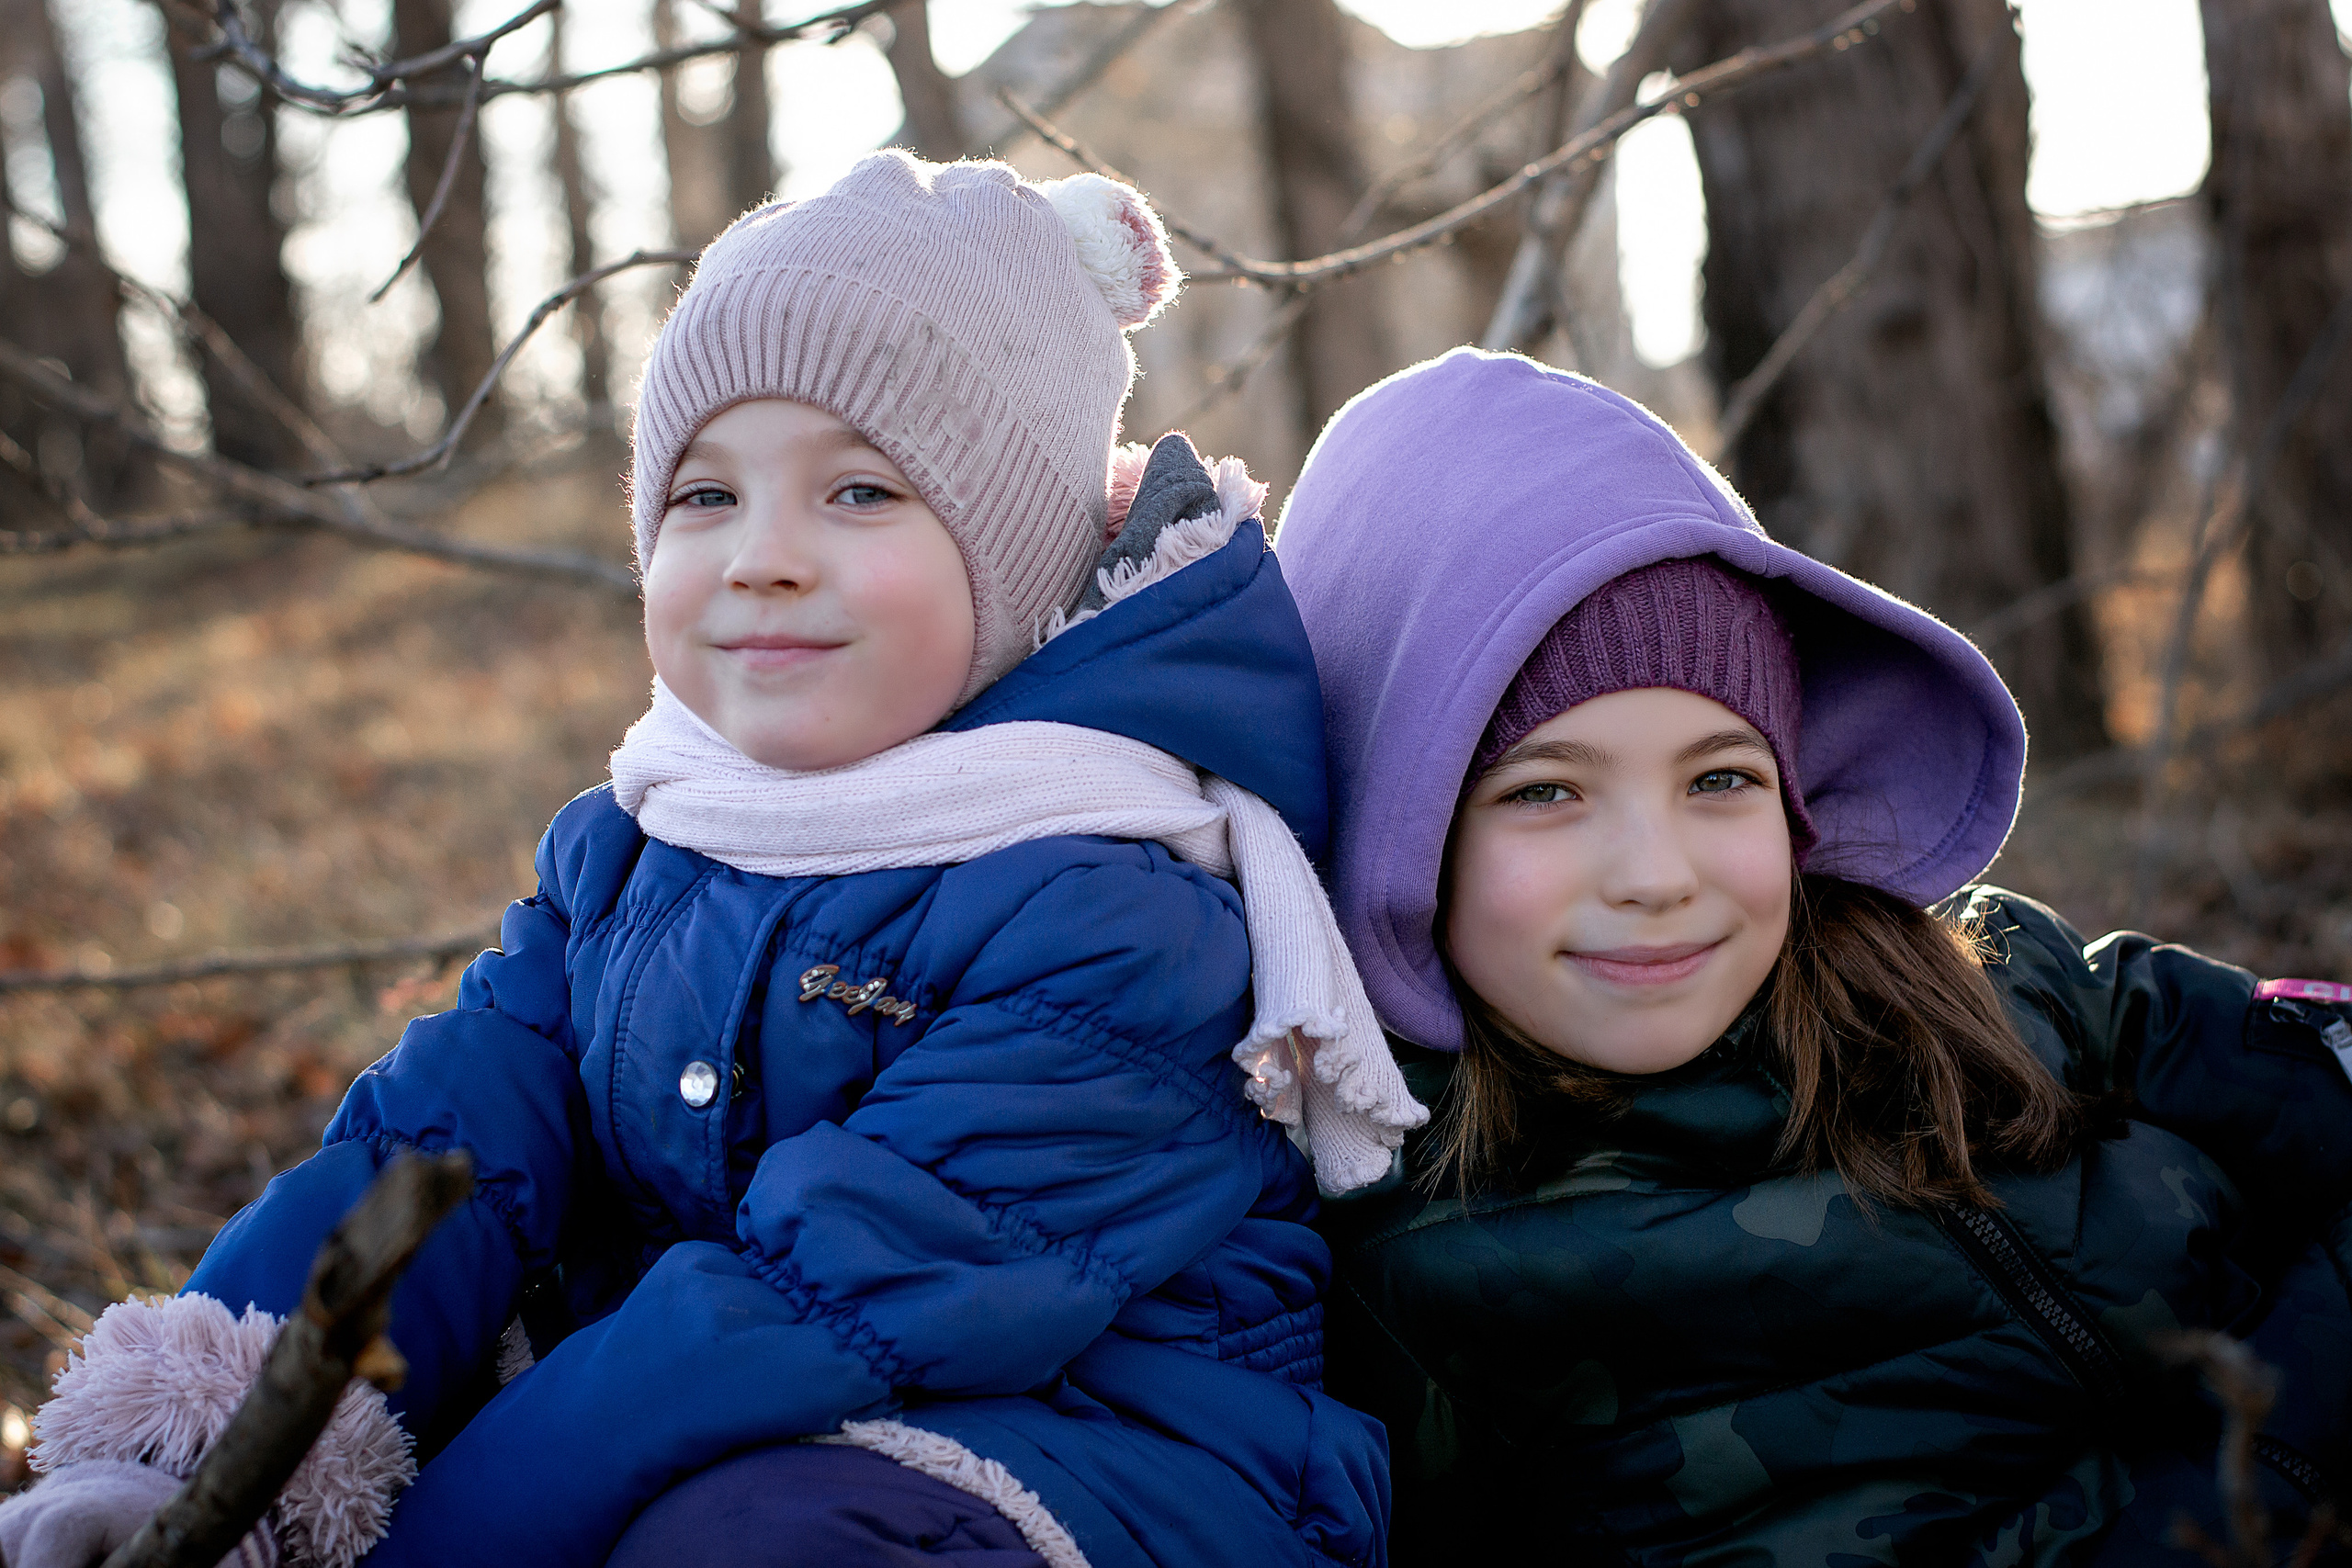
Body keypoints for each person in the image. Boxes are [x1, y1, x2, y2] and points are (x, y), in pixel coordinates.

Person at [0, 152, 1421, 1568]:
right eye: (704, 496)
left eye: (860, 494)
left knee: (737, 1542)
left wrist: (431, 1550)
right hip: (740, 1437)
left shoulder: (1121, 918)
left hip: (1119, 1480)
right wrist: (216, 1465)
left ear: (1024, 560)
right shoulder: (644, 841)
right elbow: (445, 1152)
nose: (764, 557)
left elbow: (806, 1308)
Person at [1275, 347, 2352, 1565]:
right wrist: (2294, 1449)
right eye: (1547, 792)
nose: (1658, 871)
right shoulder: (1451, 1291)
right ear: (1394, 836)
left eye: (1721, 778)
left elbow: (2305, 1064)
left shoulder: (1976, 976)